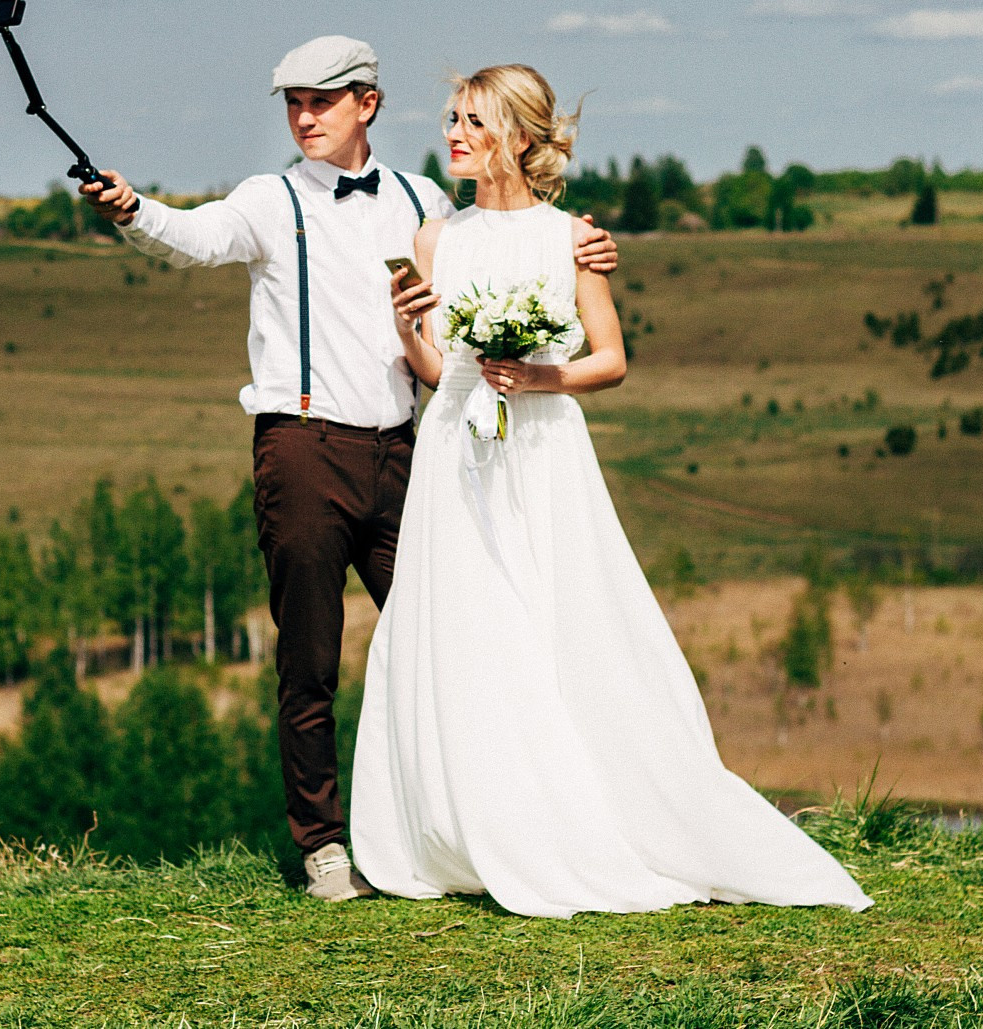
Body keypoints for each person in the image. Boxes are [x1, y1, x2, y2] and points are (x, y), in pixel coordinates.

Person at [80, 37, 618, 902]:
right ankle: (326, 845)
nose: (303, 117)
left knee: (453, 640)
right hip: (302, 448)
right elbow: (194, 237)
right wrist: (134, 207)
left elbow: (503, 247)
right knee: (310, 656)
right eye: (293, 103)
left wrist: (582, 251)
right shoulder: (268, 198)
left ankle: (473, 825)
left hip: (415, 450)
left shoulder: (424, 199)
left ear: (367, 103)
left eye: (321, 102)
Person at [351, 64, 870, 918]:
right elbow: (443, 370)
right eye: (449, 117)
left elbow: (612, 357)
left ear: (516, 136)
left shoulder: (570, 239)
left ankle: (582, 820)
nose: (451, 133)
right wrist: (408, 327)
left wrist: (539, 378)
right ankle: (472, 821)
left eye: (470, 120)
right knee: (467, 628)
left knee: (556, 625)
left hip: (542, 450)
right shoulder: (436, 239)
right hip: (454, 450)